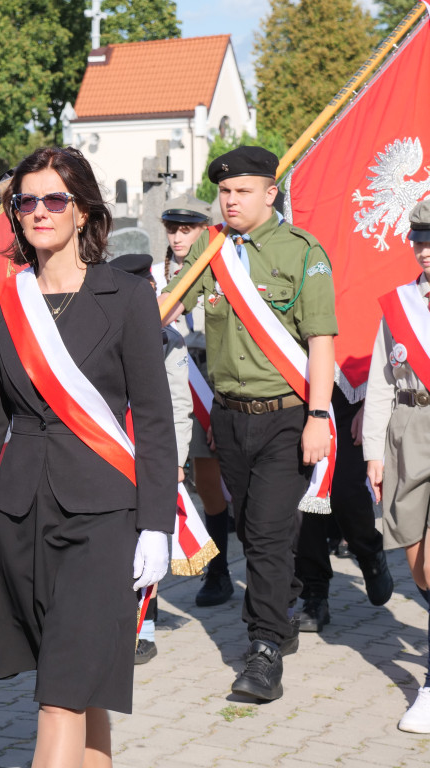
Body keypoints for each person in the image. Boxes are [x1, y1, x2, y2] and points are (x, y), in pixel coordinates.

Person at [0, 146, 176, 767]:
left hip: (102, 515)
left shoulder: (125, 296)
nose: (39, 211)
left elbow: (153, 420)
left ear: (83, 210)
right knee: (78, 685)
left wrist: (158, 524)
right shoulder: (4, 299)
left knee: (58, 696)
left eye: (54, 199)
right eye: (26, 201)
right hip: (22, 516)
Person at [160, 146, 337, 702]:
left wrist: (317, 417)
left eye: (241, 192)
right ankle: (279, 611)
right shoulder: (212, 249)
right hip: (230, 420)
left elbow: (322, 342)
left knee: (263, 532)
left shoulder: (303, 252)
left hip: (286, 416)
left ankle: (262, 651)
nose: (230, 201)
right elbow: (164, 307)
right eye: (225, 192)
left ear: (270, 193)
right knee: (255, 530)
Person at [364, 198, 430, 733]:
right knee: (417, 563)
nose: (426, 250)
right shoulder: (399, 304)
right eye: (419, 240)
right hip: (407, 432)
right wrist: (372, 451)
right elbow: (382, 384)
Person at [111, 252, 193, 665]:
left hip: (151, 452)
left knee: (149, 534)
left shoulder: (168, 339)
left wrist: (174, 461)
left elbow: (178, 405)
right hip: (110, 447)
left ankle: (144, 626)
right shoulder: (103, 328)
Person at [156, 194, 237, 607]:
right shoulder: (157, 275)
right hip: (172, 383)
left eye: (187, 228)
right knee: (190, 478)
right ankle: (209, 569)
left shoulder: (222, 271)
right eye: (172, 227)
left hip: (211, 379)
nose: (177, 236)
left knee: (214, 479)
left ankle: (221, 569)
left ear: (205, 230)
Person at [292, 381, 393, 632]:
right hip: (301, 397)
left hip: (350, 398)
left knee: (346, 493)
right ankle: (315, 595)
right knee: (305, 502)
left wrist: (369, 403)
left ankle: (369, 551)